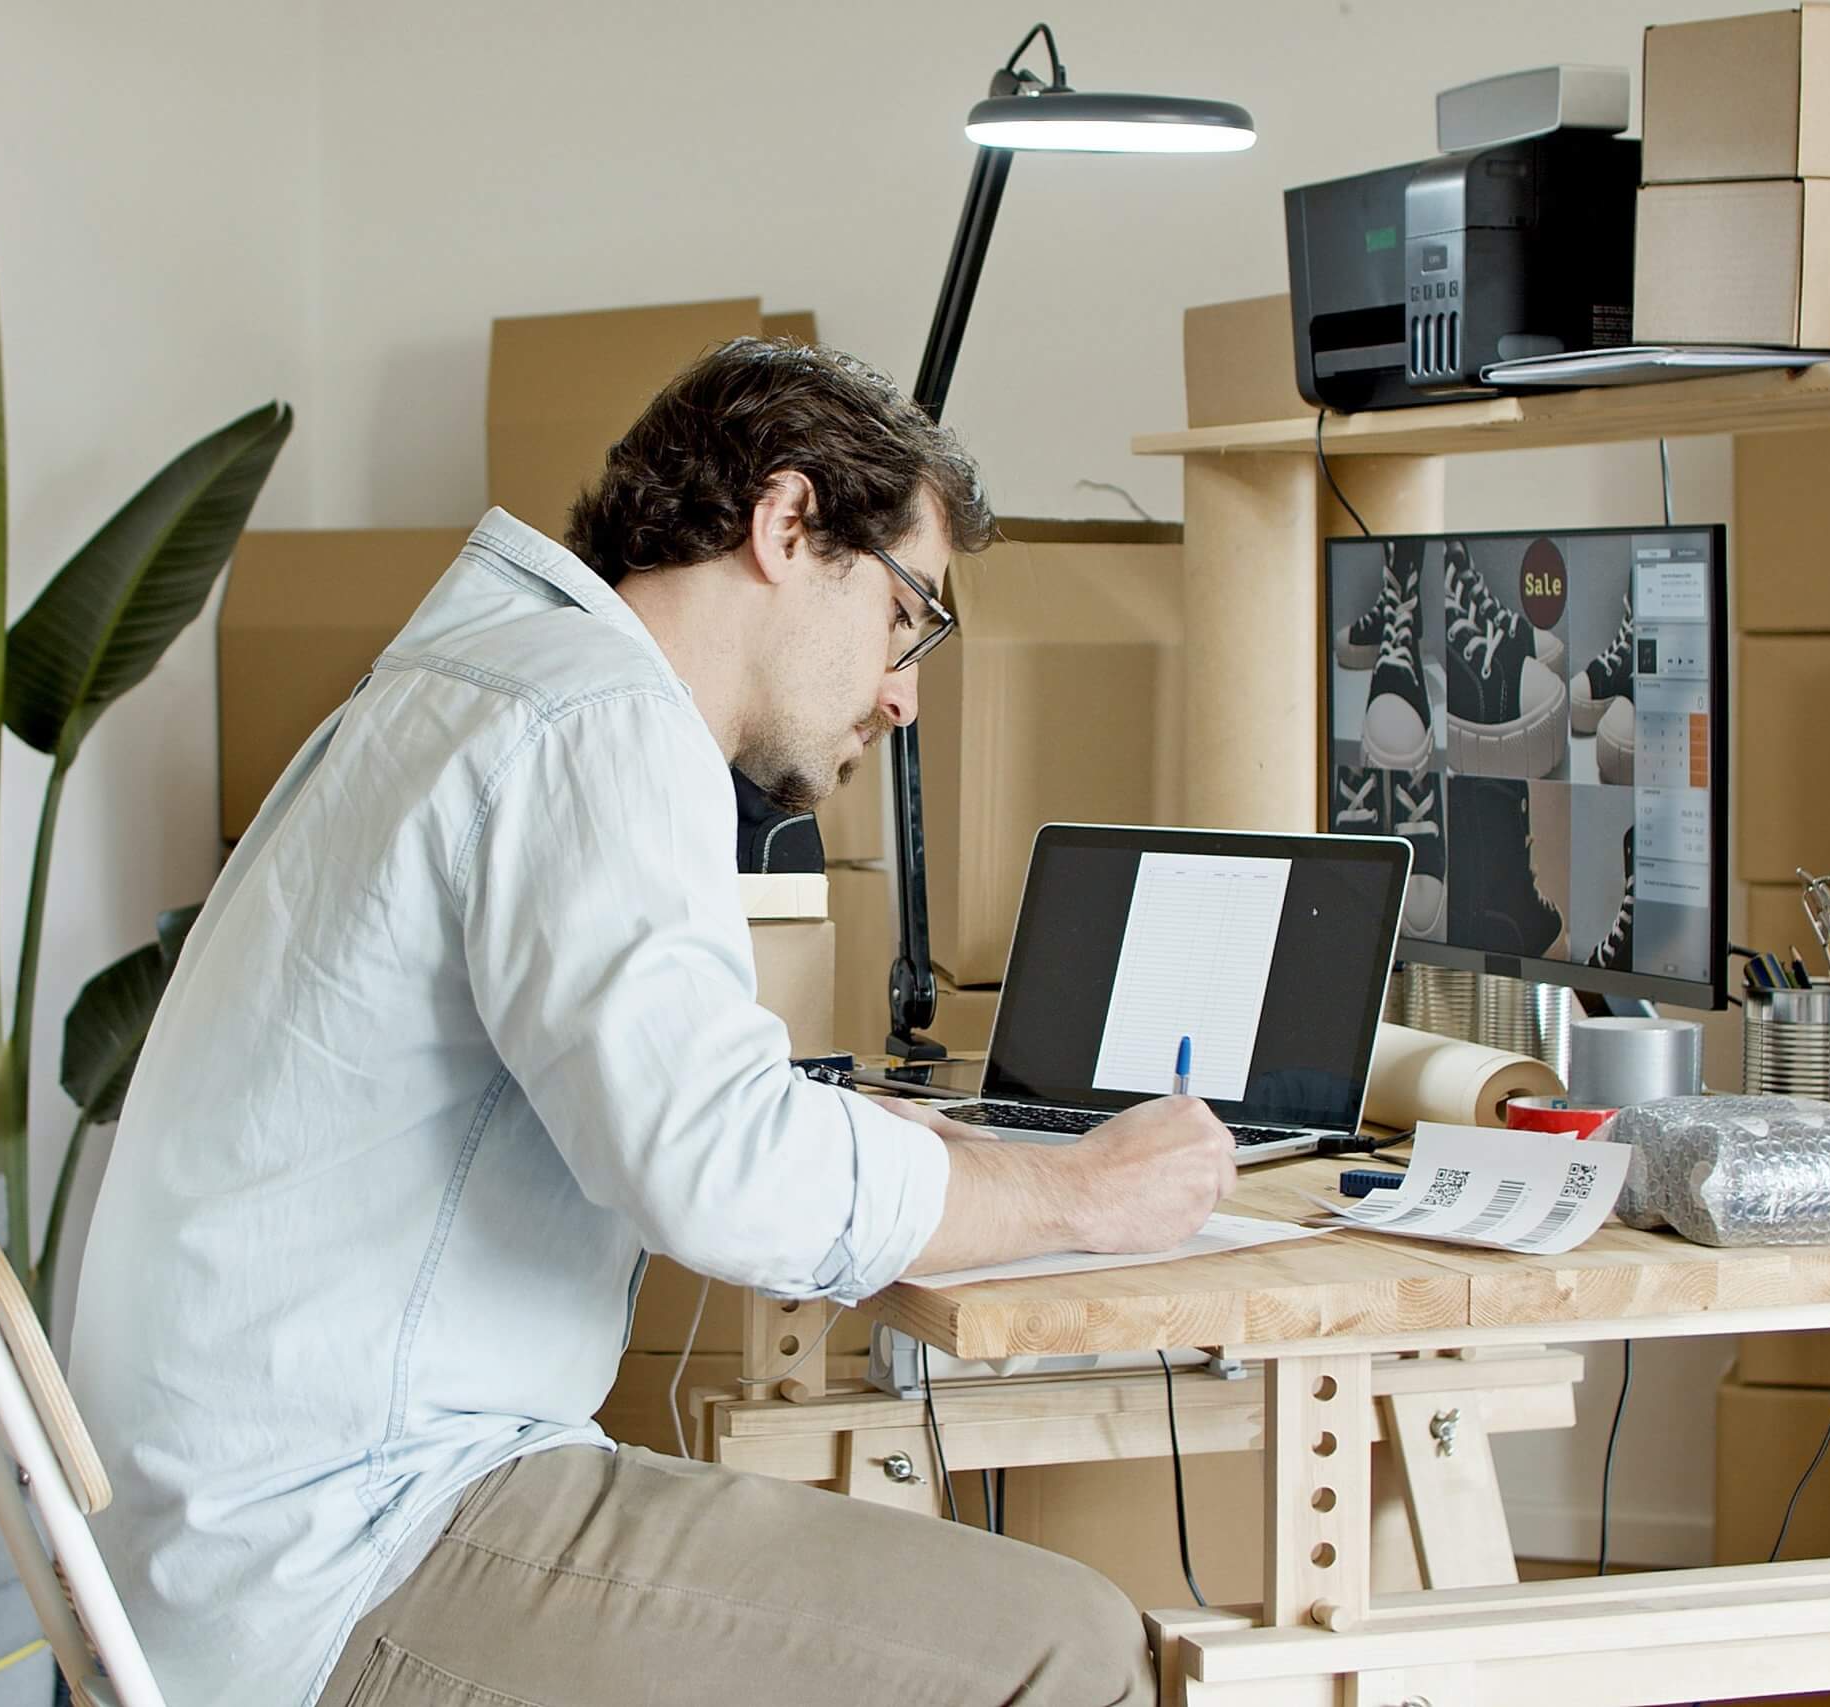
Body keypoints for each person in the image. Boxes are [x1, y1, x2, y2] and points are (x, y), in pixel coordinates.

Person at [69, 339, 1238, 1707]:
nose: (903, 692)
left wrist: (885, 1148)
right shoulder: (595, 720)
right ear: (790, 526)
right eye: (907, 617)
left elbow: (675, 1098)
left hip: (238, 1545)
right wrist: (1077, 1192)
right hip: (348, 1559)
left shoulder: (488, 682)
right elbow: (715, 1171)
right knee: (1071, 1644)